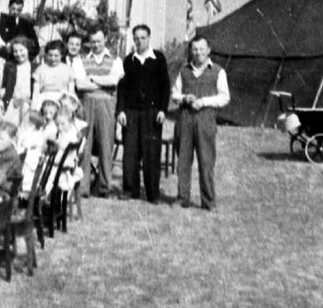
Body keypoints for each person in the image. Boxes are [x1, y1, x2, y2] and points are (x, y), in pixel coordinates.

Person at [172, 36, 230, 210]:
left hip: (206, 119)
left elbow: (224, 97)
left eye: (201, 49)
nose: (198, 53)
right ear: (191, 51)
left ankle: (208, 201)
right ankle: (183, 197)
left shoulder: (218, 71)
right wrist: (184, 98)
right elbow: (174, 94)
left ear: (208, 50)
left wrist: (204, 102)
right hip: (185, 119)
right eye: (195, 49)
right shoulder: (184, 70)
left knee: (206, 161)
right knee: (183, 161)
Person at [117, 24, 170, 203]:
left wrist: (163, 109)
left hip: (152, 113)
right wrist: (121, 111)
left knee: (151, 153)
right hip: (131, 112)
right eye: (137, 38)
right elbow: (122, 88)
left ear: (149, 38)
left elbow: (165, 86)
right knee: (130, 153)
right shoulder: (128, 60)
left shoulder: (158, 58)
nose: (139, 41)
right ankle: (130, 190)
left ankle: (152, 193)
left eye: (143, 38)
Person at [76, 29, 123, 198]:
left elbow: (114, 81)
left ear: (105, 40)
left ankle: (104, 187)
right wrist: (102, 83)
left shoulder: (115, 60)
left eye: (99, 41)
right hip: (87, 103)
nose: (96, 45)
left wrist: (91, 79)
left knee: (105, 144)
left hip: (107, 104)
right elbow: (80, 85)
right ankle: (83, 187)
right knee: (85, 144)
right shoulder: (81, 60)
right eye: (93, 41)